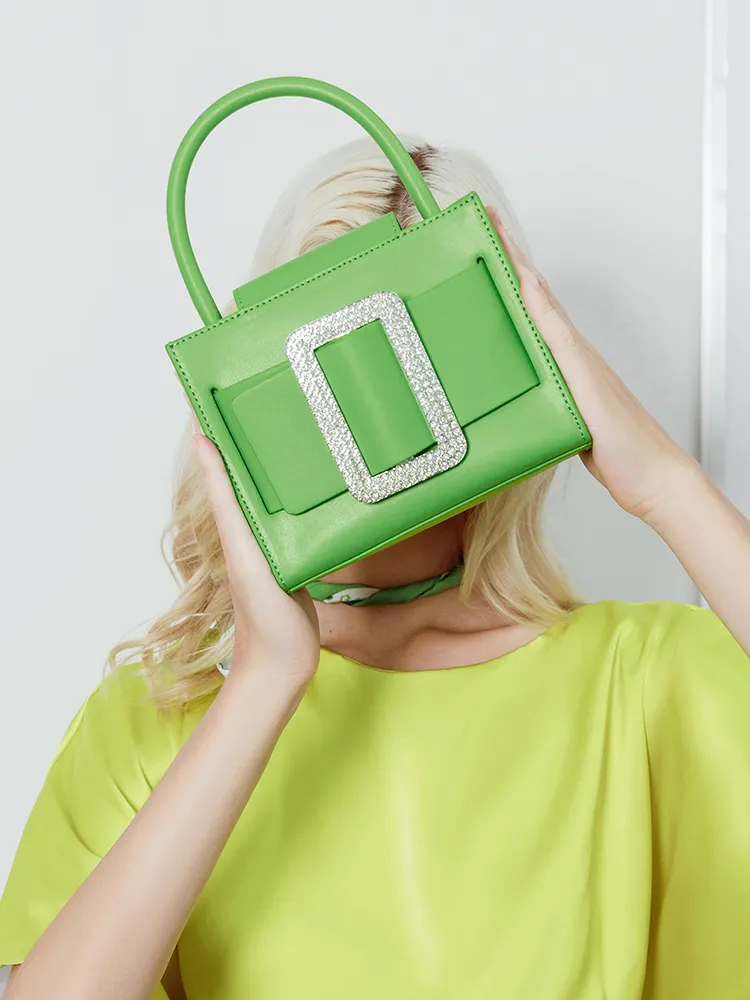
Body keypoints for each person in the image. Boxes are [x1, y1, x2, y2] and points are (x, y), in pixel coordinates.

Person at [1, 136, 749, 1000]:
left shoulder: (646, 678)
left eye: (416, 339)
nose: (364, 403)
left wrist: (665, 483)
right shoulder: (160, 719)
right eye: (315, 345)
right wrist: (264, 683)